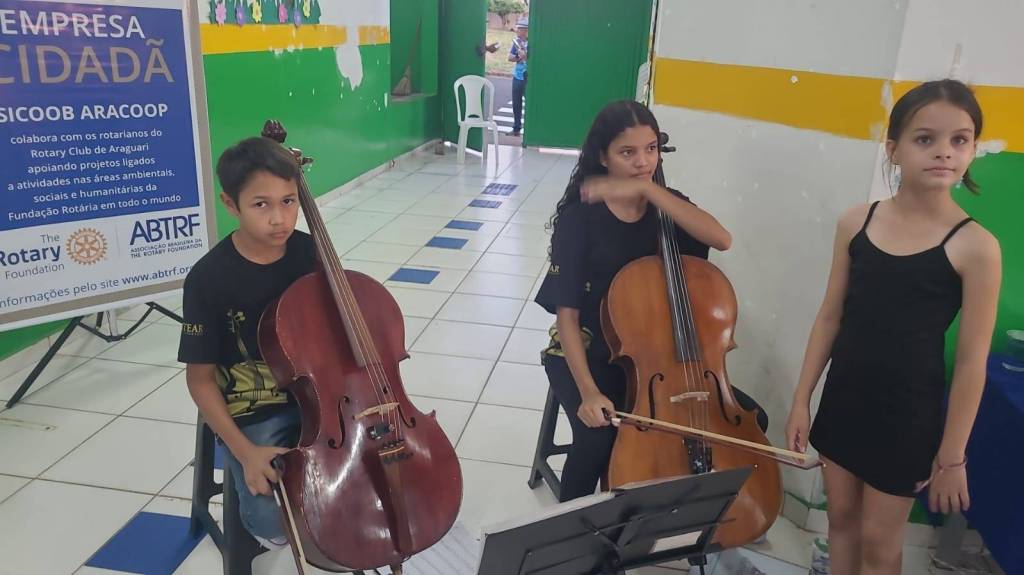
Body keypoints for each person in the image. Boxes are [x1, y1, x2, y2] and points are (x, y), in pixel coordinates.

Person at [785, 79, 1001, 575]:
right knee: (841, 521)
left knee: (880, 546)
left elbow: (972, 363)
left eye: (960, 140)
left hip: (907, 416)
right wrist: (801, 399)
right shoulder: (856, 222)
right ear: (894, 148)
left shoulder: (976, 247)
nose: (944, 152)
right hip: (844, 398)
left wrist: (952, 457)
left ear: (972, 149)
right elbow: (830, 315)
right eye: (925, 139)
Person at [535, 100, 761, 503]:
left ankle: (680, 511)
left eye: (651, 149)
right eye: (628, 152)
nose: (643, 161)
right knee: (596, 439)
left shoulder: (667, 203)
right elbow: (567, 318)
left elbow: (722, 239)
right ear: (602, 157)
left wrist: (648, 190)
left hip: (662, 358)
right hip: (588, 352)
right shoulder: (580, 219)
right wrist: (589, 392)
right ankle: (572, 530)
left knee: (750, 421)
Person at [178, 136, 316, 548]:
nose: (279, 219)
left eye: (288, 201)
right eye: (261, 204)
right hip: (255, 410)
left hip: (320, 396)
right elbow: (200, 381)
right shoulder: (207, 279)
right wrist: (244, 452)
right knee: (273, 521)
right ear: (230, 204)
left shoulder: (310, 252)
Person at [508, 17, 529, 137]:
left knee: (530, 104)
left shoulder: (533, 43)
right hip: (517, 77)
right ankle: (516, 128)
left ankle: (529, 131)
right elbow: (510, 57)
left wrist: (525, 55)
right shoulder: (517, 42)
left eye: (520, 29)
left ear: (526, 30)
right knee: (516, 104)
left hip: (528, 78)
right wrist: (518, 57)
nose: (517, 31)